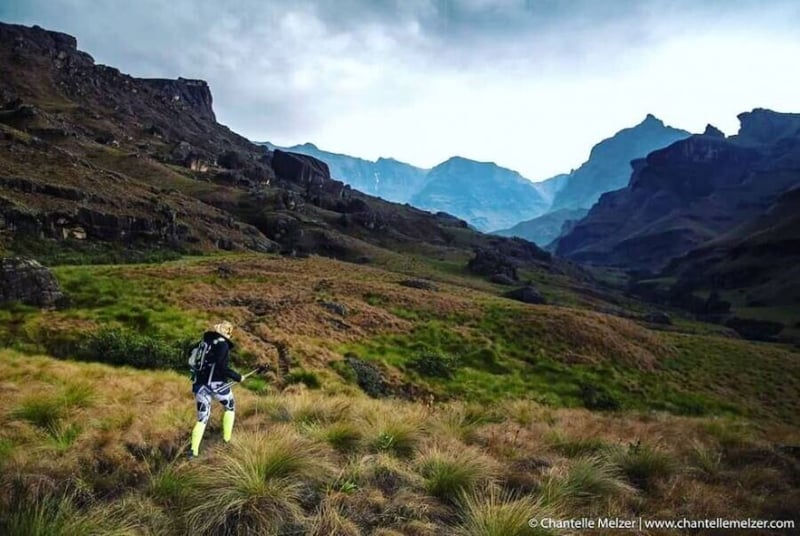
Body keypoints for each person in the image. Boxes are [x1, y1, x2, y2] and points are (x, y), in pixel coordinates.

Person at [189, 320, 242, 458]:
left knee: (202, 418)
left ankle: (193, 451)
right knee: (230, 406)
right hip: (216, 384)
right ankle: (227, 439)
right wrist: (237, 377)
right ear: (227, 333)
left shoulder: (202, 343)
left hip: (199, 385)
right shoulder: (223, 344)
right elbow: (221, 367)